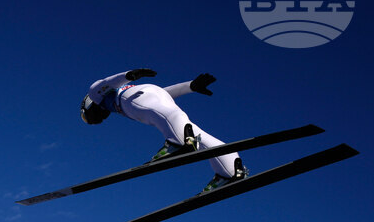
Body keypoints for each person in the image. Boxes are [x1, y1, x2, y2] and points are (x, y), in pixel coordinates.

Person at [80, 69, 248, 192]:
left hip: (133, 97)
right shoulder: (123, 95)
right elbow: (162, 94)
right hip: (154, 92)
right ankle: (230, 169)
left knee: (161, 115)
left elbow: (105, 83)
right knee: (194, 132)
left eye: (86, 117)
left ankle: (177, 143)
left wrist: (128, 75)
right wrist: (190, 86)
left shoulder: (96, 94)